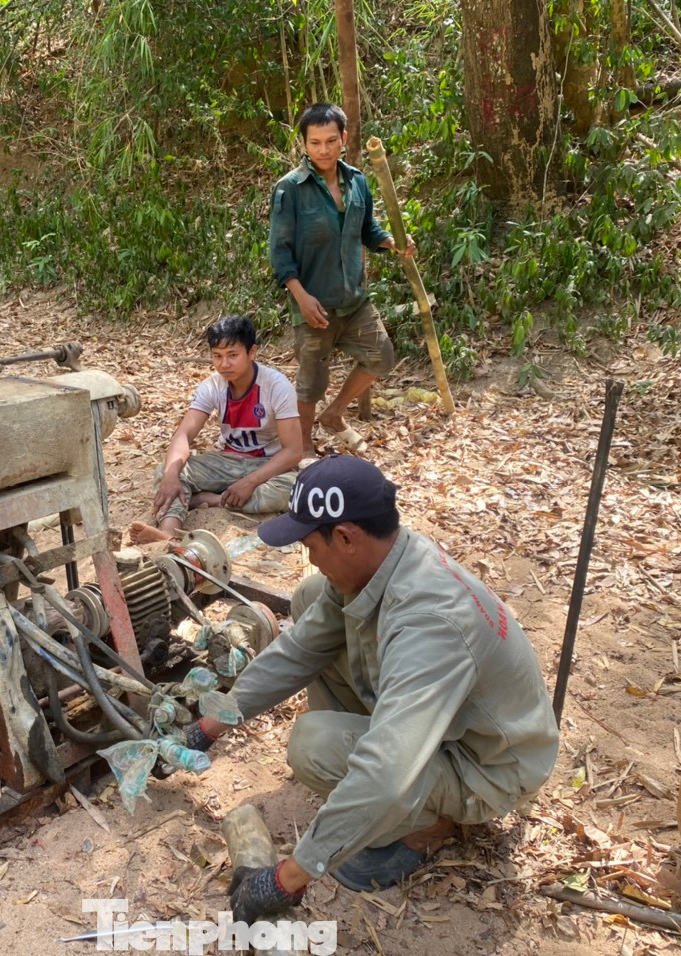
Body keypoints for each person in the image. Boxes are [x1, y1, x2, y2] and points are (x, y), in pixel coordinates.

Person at [183, 456, 559, 920]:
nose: (310, 558)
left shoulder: (429, 623)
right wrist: (209, 725)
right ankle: (359, 791)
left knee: (312, 746)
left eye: (310, 545)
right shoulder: (392, 556)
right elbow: (300, 650)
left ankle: (426, 826)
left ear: (345, 537)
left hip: (490, 766)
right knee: (310, 598)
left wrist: (287, 878)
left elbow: (385, 771)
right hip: (454, 723)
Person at [268, 102, 416, 458]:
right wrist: (301, 297)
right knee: (311, 382)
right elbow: (280, 253)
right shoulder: (289, 189)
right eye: (315, 142)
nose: (324, 150)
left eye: (331, 141)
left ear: (344, 139)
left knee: (381, 357)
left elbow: (367, 230)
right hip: (314, 304)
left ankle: (334, 414)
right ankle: (303, 447)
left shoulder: (357, 181)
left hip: (354, 300)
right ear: (304, 143)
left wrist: (392, 241)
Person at [129, 315, 303, 544]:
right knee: (168, 471)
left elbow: (293, 451)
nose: (224, 364)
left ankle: (214, 499)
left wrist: (251, 482)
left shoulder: (277, 385)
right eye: (217, 356)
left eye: (232, 355)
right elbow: (184, 434)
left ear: (252, 352)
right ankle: (168, 535)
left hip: (269, 465)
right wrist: (171, 476)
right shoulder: (212, 386)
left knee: (294, 490)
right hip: (227, 461)